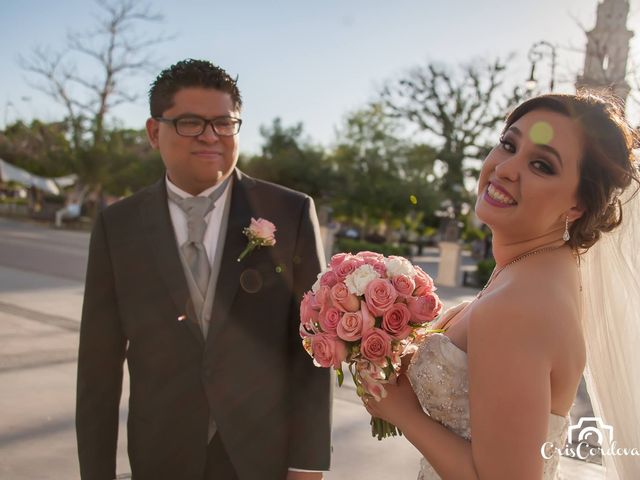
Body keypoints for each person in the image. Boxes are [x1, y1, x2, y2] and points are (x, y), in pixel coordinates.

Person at [76, 59, 332, 480]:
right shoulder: (116, 226)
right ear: (154, 131)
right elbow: (97, 369)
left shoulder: (290, 213)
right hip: (161, 456)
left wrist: (307, 465)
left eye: (224, 123)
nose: (211, 136)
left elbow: (310, 351)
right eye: (191, 122)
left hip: (261, 458)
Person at [362, 92, 639, 479]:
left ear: (576, 206)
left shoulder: (519, 305)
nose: (506, 169)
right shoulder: (539, 269)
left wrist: (400, 411)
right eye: (508, 144)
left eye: (541, 165)